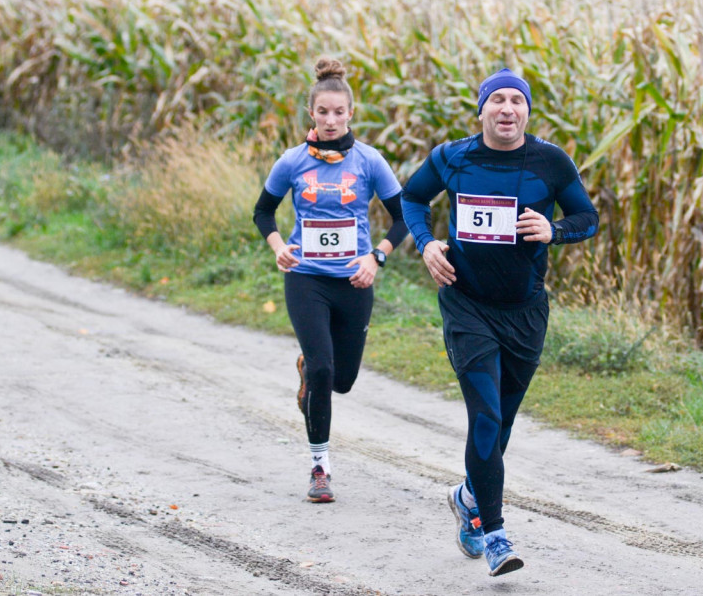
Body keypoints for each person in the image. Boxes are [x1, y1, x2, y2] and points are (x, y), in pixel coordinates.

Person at [401, 68, 599, 576]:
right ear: (482, 109)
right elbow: (412, 198)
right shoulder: (452, 157)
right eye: (497, 100)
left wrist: (553, 230)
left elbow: (588, 218)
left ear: (527, 111)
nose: (507, 109)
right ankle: (493, 534)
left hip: (525, 312)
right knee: (486, 417)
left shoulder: (551, 161)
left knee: (502, 424)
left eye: (517, 101)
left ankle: (469, 496)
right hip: (466, 305)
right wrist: (426, 244)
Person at [253, 57, 407, 503]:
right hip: (306, 279)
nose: (331, 120)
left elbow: (405, 218)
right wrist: (278, 246)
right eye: (323, 112)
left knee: (341, 381)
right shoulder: (292, 161)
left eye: (339, 112)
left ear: (351, 113)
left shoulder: (369, 161)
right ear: (311, 113)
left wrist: (376, 257)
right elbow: (263, 212)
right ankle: (319, 468)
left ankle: (309, 372)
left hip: (355, 282)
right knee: (324, 369)